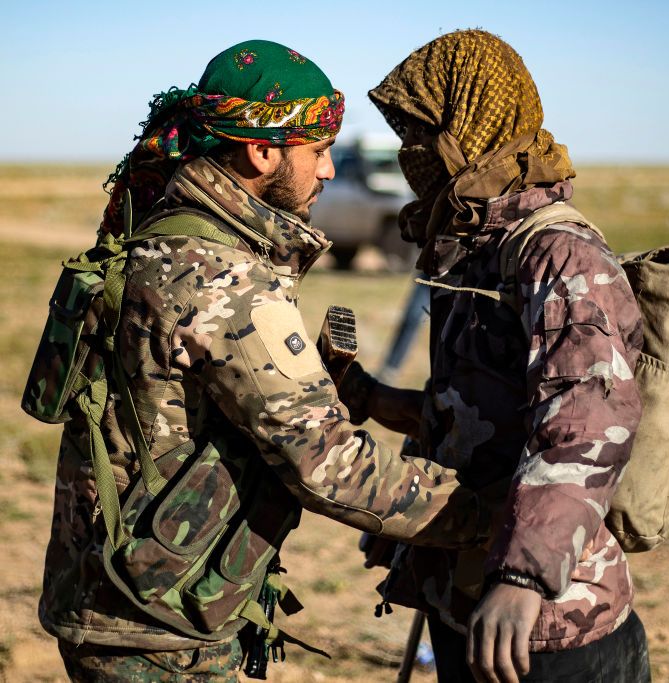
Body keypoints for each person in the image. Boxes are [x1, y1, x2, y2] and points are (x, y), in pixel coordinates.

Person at [37, 39, 491, 681]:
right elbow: (331, 467)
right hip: (159, 627)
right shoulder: (223, 278)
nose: (329, 171)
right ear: (262, 150)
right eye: (319, 150)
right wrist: (500, 518)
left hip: (115, 593)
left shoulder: (161, 234)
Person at [341, 29, 651, 682]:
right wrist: (372, 399)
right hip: (470, 602)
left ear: (473, 126)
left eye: (426, 136)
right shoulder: (474, 246)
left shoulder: (560, 255)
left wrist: (522, 574)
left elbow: (590, 419)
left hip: (550, 623)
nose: (411, 155)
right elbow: (476, 415)